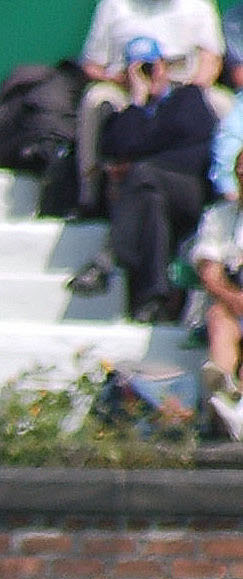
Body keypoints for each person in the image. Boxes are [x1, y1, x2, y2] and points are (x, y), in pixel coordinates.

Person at [71, 35, 217, 321]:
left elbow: (182, 141)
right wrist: (137, 100)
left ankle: (107, 259)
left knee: (140, 174)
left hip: (190, 190)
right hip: (150, 192)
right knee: (149, 199)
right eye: (140, 69)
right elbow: (118, 147)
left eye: (153, 66)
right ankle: (152, 300)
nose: (150, 75)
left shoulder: (188, 98)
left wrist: (140, 152)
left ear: (164, 66)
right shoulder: (128, 112)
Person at [74, 0, 222, 217]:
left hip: (183, 82)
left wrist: (185, 91)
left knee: (221, 103)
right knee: (95, 98)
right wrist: (131, 83)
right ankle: (90, 193)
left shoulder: (199, 5)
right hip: (123, 83)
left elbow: (212, 58)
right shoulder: (113, 5)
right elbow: (91, 65)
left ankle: (223, 192)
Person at [193, 149, 243, 435]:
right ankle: (223, 385)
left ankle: (234, 409)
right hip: (231, 303)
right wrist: (232, 297)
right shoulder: (218, 217)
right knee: (218, 316)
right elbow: (209, 272)